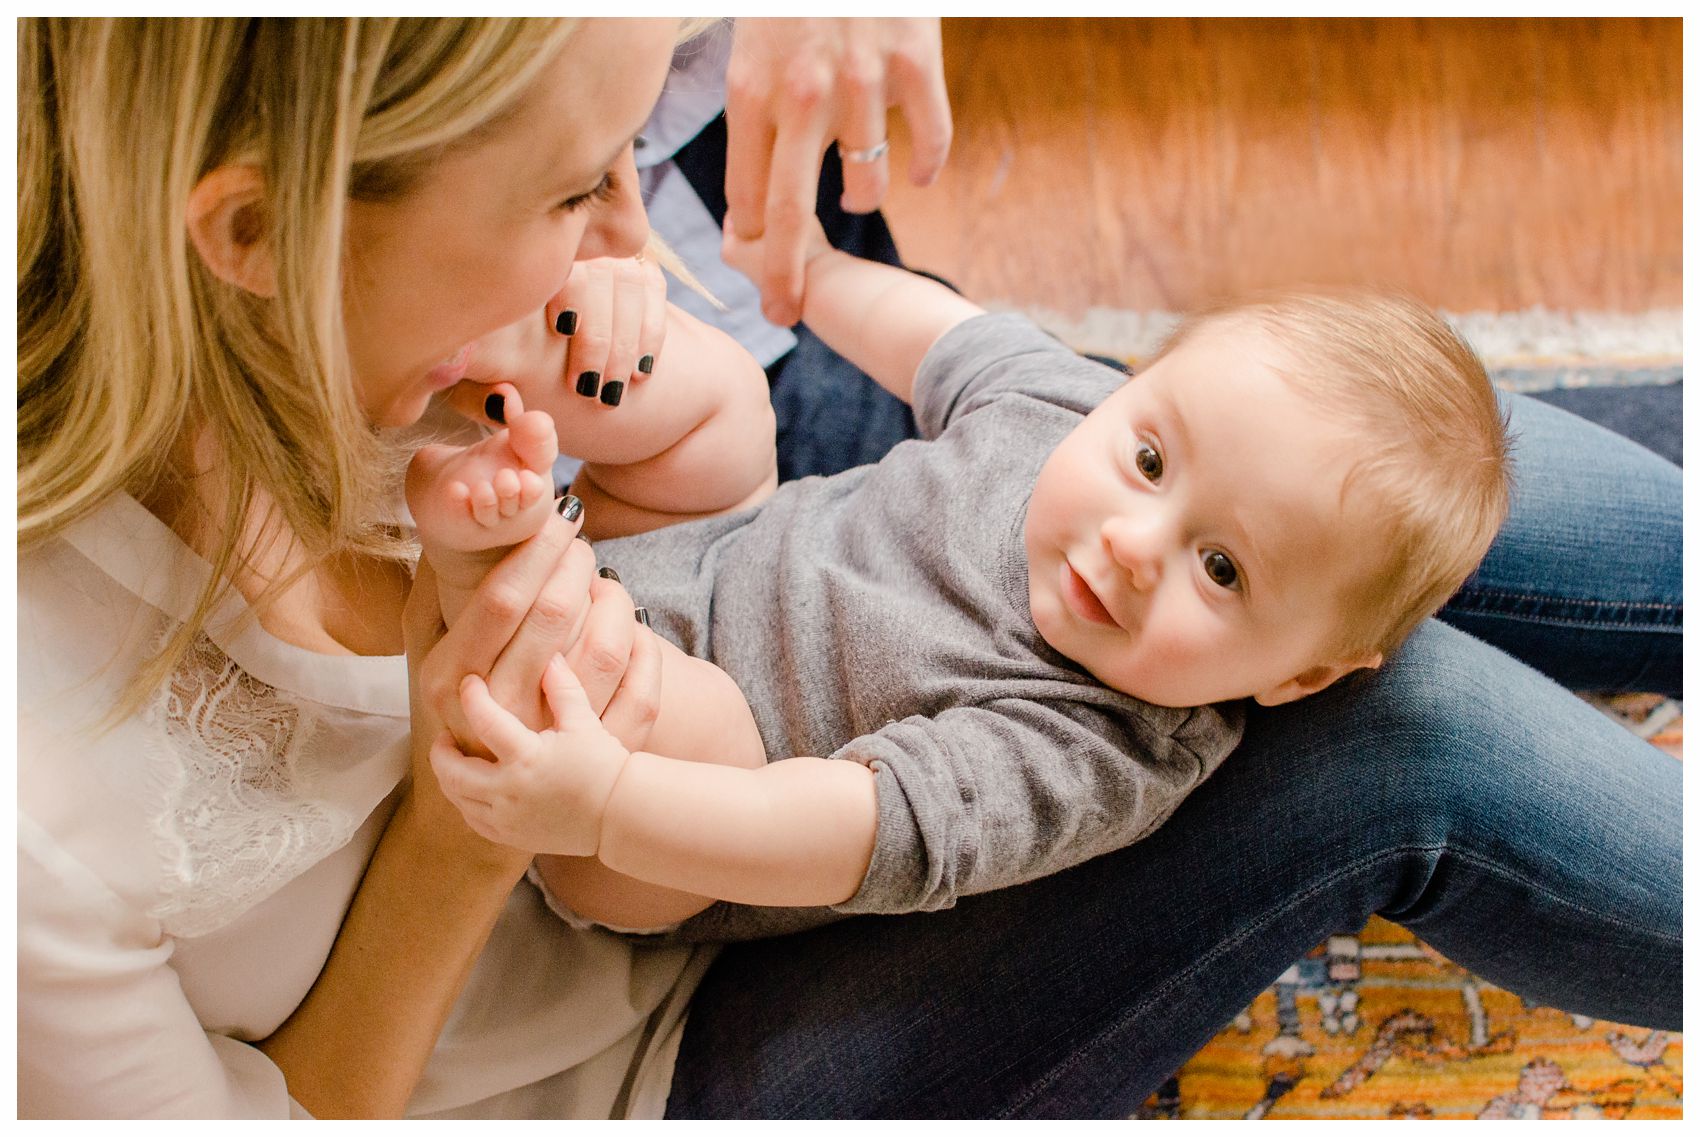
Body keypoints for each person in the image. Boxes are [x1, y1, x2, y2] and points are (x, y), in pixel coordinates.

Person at [16, 17, 1679, 1123]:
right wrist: (485, 832)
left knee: (1343, 437)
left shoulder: (413, 337)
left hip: (722, 660)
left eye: (633, 157)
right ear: (254, 233)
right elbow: (825, 819)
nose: (626, 233)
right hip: (644, 1029)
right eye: (572, 187)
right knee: (1403, 720)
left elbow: (741, 435)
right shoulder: (44, 821)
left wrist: (724, 339)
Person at [416, 238, 1511, 941]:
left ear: (1300, 674)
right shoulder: (1058, 408)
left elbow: (846, 829)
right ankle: (487, 372)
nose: (1134, 543)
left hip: (661, 814)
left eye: (1219, 570)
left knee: (689, 717)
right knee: (717, 392)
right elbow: (942, 336)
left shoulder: (1104, 747)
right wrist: (803, 272)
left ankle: (487, 563)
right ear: (1129, 393)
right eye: (1148, 461)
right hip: (706, 544)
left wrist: (604, 805)